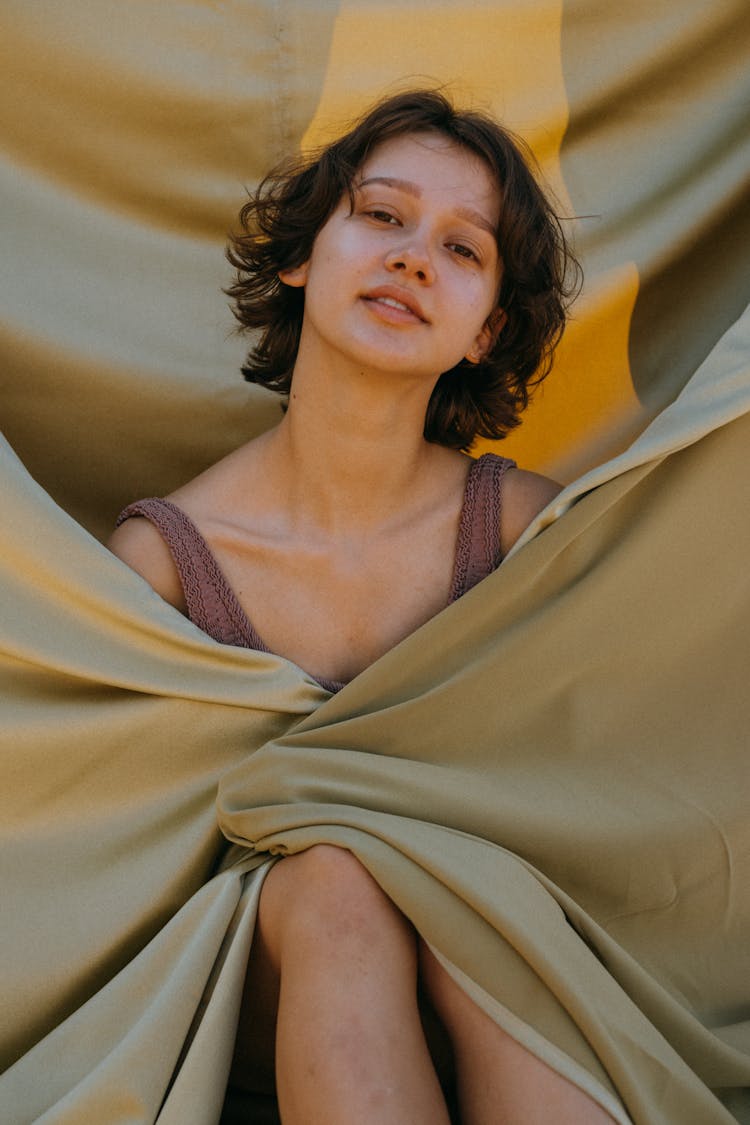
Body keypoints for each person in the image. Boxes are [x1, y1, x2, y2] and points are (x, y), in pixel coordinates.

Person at [109, 90, 613, 1124]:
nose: (414, 257)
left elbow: (601, 797)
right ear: (301, 255)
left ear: (488, 331)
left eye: (463, 250)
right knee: (339, 877)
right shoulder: (163, 562)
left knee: (469, 885)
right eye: (381, 216)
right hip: (269, 980)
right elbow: (119, 855)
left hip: (484, 955)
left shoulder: (527, 535)